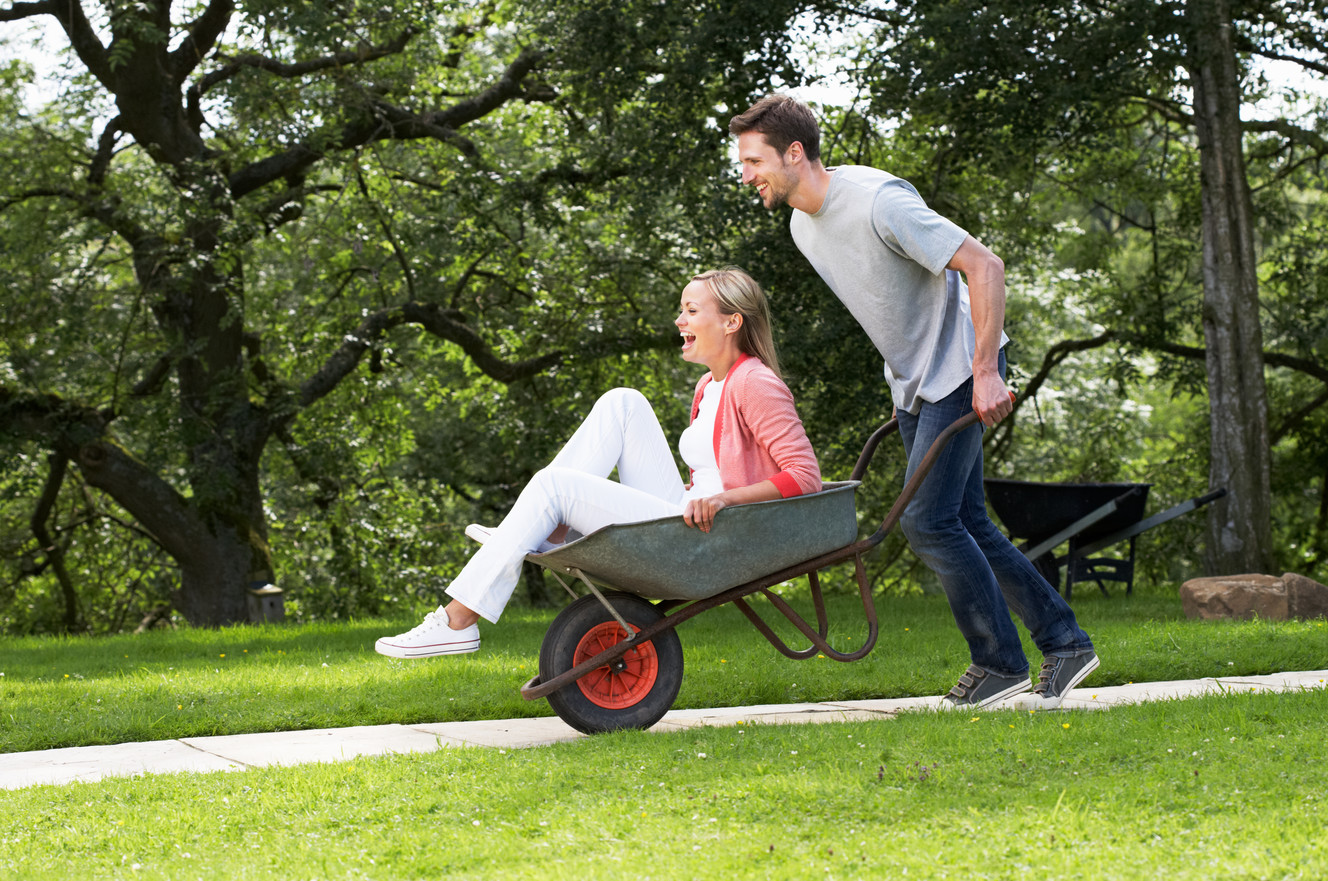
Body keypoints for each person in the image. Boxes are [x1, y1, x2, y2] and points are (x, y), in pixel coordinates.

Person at [728, 94, 1097, 710]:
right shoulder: (800, 225)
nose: (745, 175)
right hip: (913, 383)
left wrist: (984, 372)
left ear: (795, 153)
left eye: (753, 160)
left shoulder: (879, 202)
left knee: (929, 522)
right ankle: (1066, 642)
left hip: (959, 370)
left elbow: (984, 266)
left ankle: (999, 663)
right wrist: (906, 383)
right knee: (967, 521)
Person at [376, 267, 822, 658]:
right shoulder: (710, 385)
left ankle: (458, 621)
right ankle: (531, 529)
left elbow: (806, 478)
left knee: (555, 486)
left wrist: (725, 500)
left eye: (690, 310)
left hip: (710, 538)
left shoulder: (756, 383)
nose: (679, 320)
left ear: (731, 322)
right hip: (689, 516)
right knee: (623, 402)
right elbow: (708, 472)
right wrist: (707, 495)